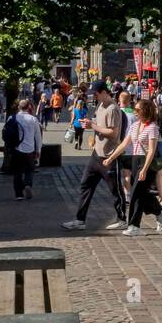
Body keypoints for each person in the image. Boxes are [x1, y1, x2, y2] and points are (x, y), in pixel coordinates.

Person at [62, 81, 126, 231]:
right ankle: (80, 220)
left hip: (109, 156)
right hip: (96, 154)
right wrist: (90, 123)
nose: (94, 97)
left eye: (96, 94)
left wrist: (93, 126)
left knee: (115, 190)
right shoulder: (100, 106)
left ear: (104, 92)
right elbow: (98, 123)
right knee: (86, 184)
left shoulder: (112, 109)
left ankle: (122, 218)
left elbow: (113, 133)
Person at [103, 96, 162, 236]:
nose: (135, 111)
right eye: (135, 109)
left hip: (147, 163)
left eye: (137, 109)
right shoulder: (135, 126)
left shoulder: (153, 128)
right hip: (135, 161)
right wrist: (111, 157)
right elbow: (125, 144)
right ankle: (159, 212)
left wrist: (144, 169)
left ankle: (134, 226)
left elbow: (151, 151)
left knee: (136, 194)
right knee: (142, 194)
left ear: (145, 111)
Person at [7, 99, 42, 201]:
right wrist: (38, 149)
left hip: (16, 149)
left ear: (19, 107)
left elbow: (7, 133)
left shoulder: (12, 118)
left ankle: (19, 195)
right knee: (30, 170)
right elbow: (38, 136)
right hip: (29, 149)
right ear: (29, 107)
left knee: (17, 172)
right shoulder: (33, 119)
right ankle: (27, 184)